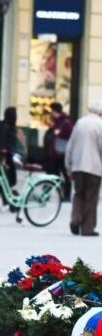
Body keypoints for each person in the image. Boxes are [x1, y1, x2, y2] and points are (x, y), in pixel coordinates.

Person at [66, 101, 102, 236]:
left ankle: (75, 220)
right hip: (94, 167)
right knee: (91, 197)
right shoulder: (100, 124)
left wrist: (68, 166)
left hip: (78, 166)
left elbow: (70, 145)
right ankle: (87, 228)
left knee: (78, 194)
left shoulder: (80, 123)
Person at [47, 102, 74, 198]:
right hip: (55, 152)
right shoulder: (57, 121)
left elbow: (69, 134)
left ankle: (66, 194)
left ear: (55, 111)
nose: (50, 113)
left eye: (52, 111)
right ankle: (56, 191)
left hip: (62, 152)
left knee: (63, 173)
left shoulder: (65, 122)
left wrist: (56, 131)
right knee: (53, 173)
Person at [0, 107, 20, 187]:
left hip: (9, 153)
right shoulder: (6, 126)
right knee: (10, 176)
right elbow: (2, 140)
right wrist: (3, 152)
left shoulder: (7, 125)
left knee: (10, 176)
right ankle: (5, 191)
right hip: (7, 154)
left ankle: (6, 191)